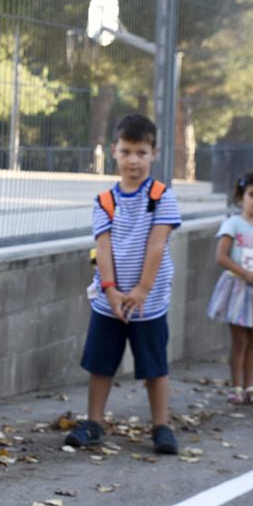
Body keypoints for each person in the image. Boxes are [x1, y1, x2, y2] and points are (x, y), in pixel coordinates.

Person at [63, 114, 184, 455]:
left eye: (141, 152)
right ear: (114, 151)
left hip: (149, 301)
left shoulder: (162, 197)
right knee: (101, 364)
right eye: (127, 151)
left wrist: (141, 291)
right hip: (109, 302)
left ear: (154, 154)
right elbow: (102, 247)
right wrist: (111, 289)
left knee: (154, 366)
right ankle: (94, 422)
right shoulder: (105, 201)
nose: (134, 160)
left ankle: (161, 426)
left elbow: (157, 245)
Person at [209, 172, 253, 405]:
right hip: (238, 287)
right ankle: (236, 386)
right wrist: (244, 273)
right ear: (241, 197)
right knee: (239, 340)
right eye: (252, 195)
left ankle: (251, 385)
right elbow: (222, 255)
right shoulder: (233, 224)